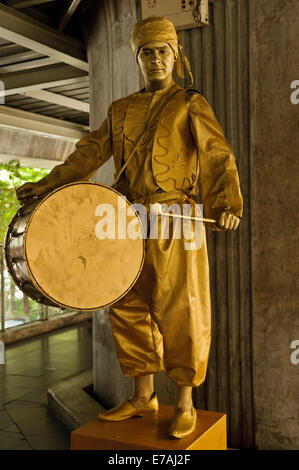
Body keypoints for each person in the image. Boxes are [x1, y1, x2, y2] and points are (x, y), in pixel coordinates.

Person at [16, 16, 243, 439]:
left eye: (163, 51)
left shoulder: (191, 103)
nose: (155, 59)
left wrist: (227, 202)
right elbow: (87, 155)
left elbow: (217, 155)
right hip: (126, 218)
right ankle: (142, 396)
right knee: (125, 304)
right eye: (147, 52)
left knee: (183, 309)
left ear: (176, 55)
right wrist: (46, 185)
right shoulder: (121, 110)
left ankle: (186, 402)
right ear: (136, 58)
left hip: (177, 217)